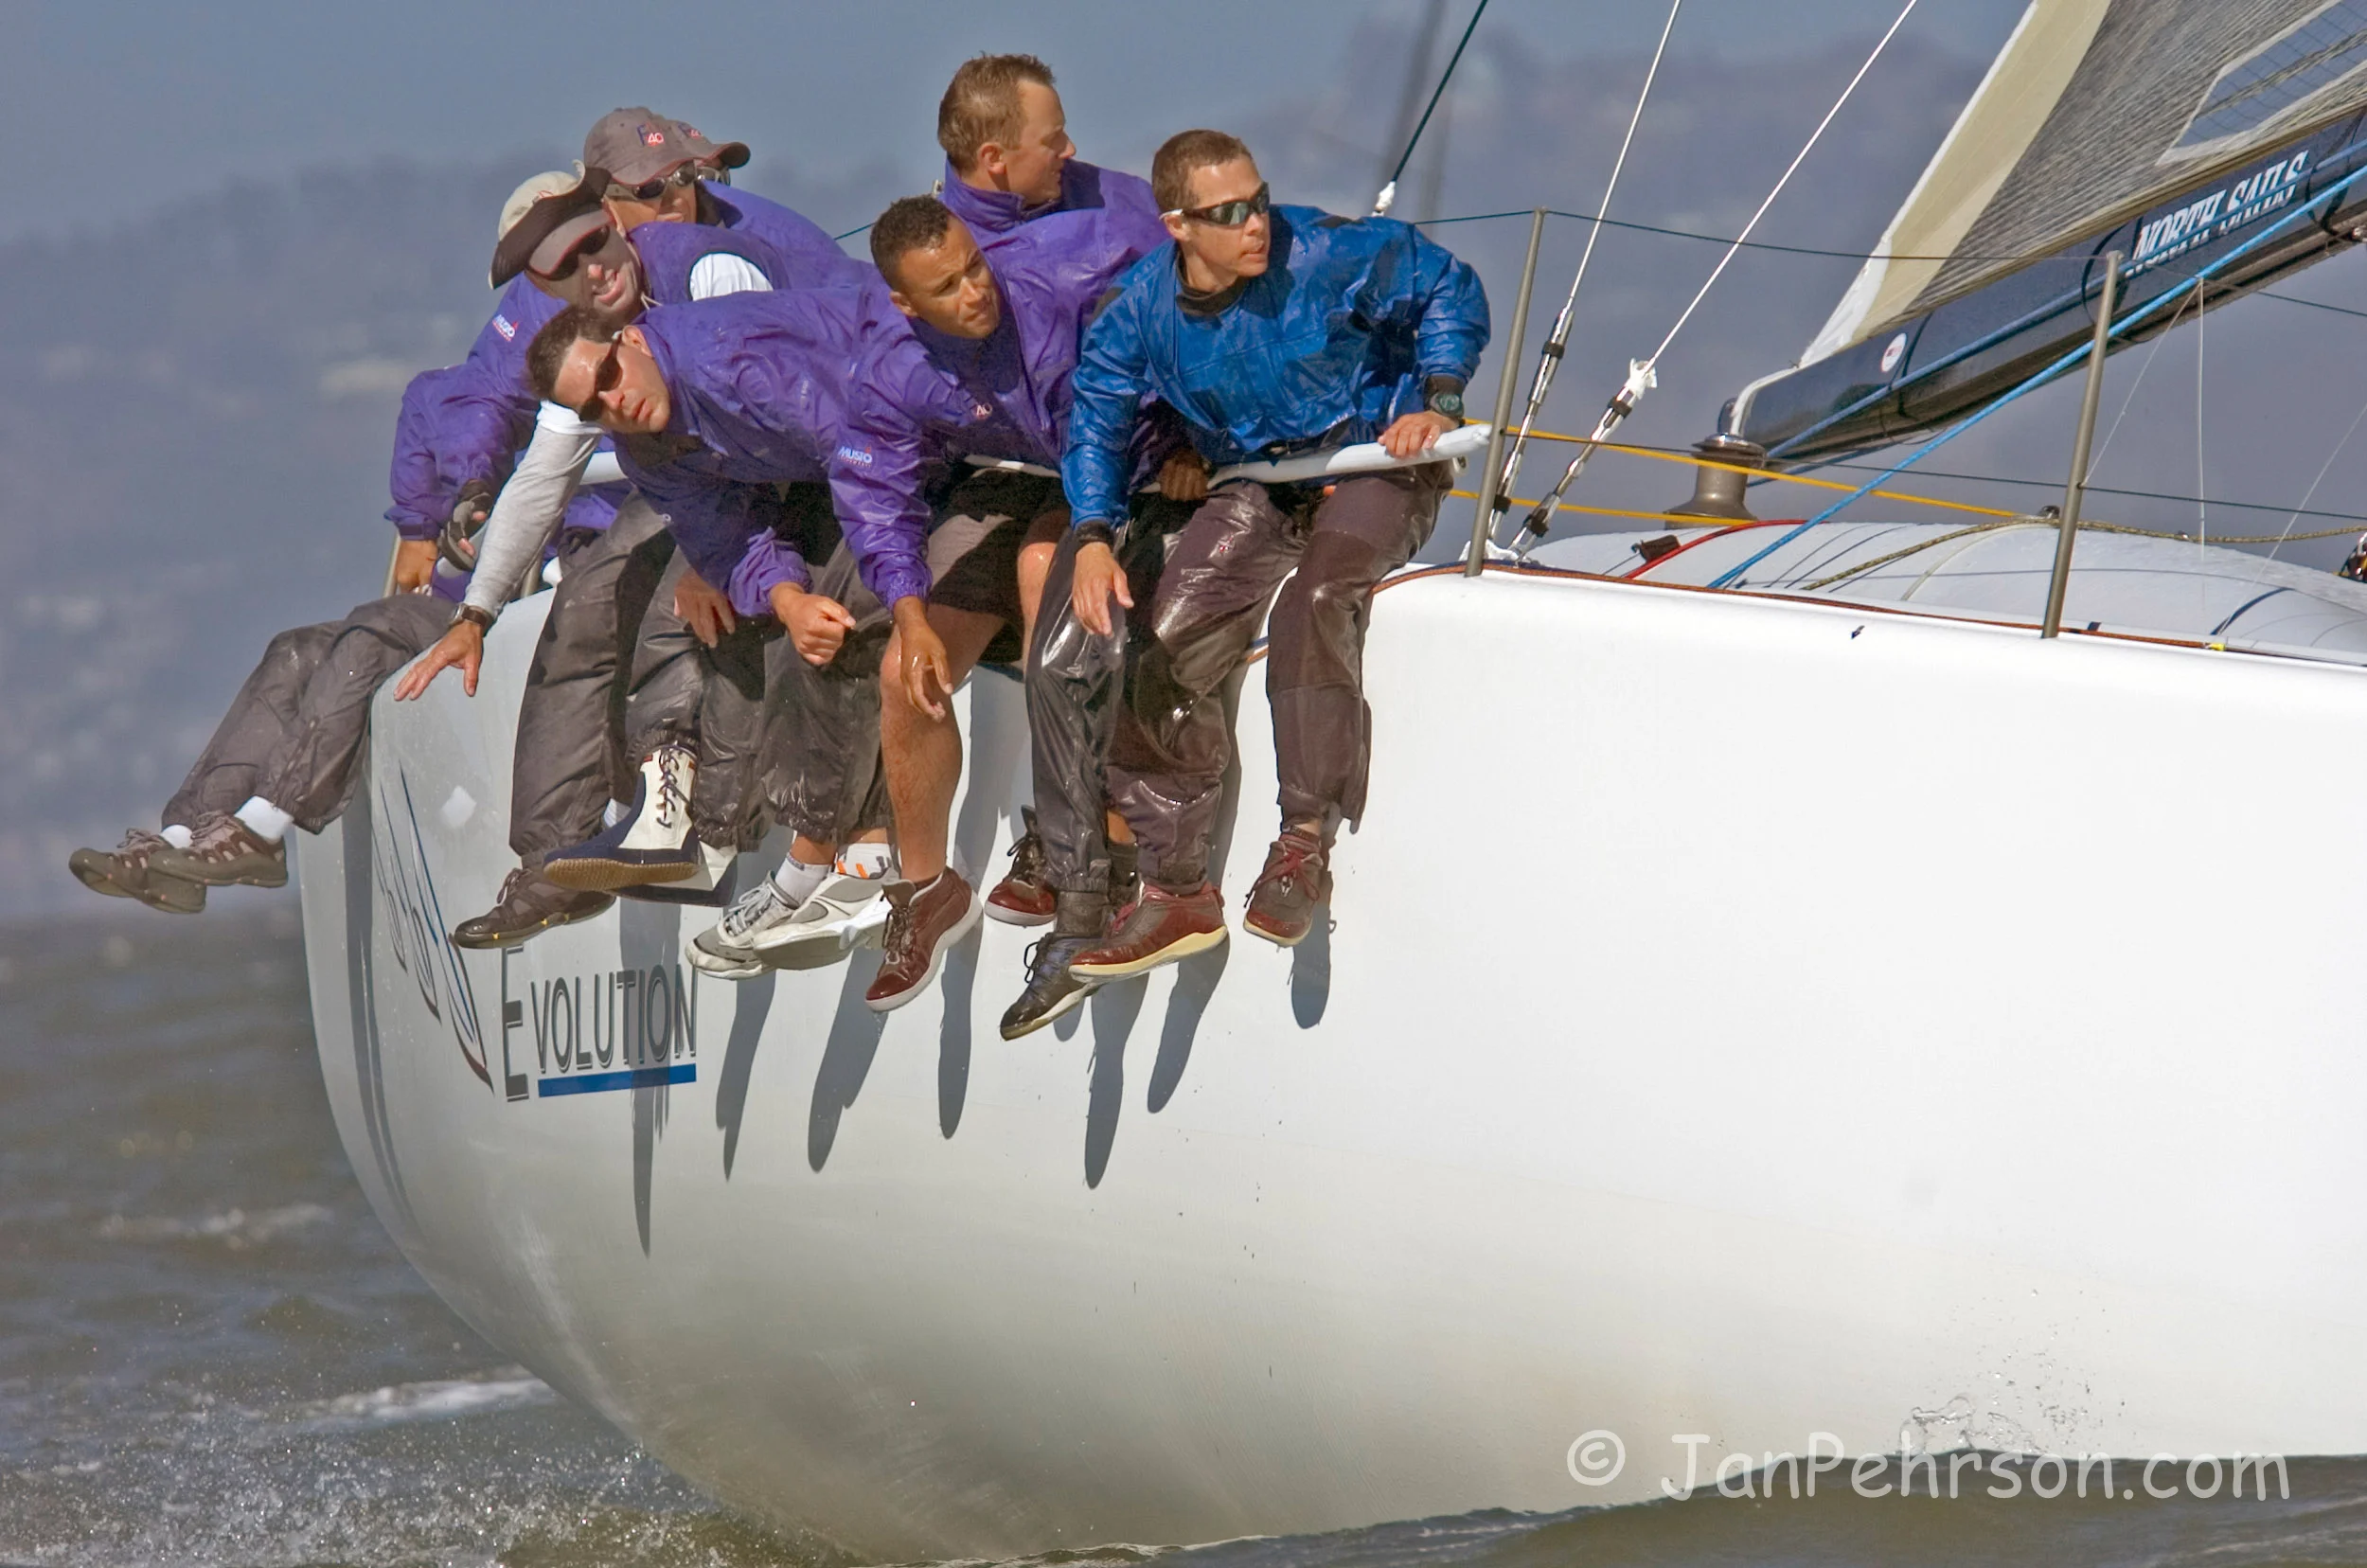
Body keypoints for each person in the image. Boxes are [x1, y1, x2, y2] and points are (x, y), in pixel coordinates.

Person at [62, 175, 623, 911]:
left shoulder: (627, 342)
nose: (561, 273)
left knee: (370, 634)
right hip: (484, 594)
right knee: (293, 649)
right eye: (541, 263)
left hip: (549, 590)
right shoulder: (513, 341)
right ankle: (185, 842)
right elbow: (452, 403)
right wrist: (439, 512)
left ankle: (263, 831)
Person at [388, 155, 869, 947]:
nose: (592, 272)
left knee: (692, 595)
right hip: (712, 475)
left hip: (827, 450)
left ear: (615, 226)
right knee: (584, 599)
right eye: (566, 270)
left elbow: (791, 420)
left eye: (593, 247)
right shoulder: (590, 350)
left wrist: (716, 563)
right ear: (544, 290)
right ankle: (553, 862)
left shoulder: (705, 271)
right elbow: (543, 477)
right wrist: (475, 611)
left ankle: (697, 829)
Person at [1054, 130, 1488, 983]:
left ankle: (1301, 845)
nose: (1257, 223)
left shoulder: (1324, 249)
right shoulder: (1138, 309)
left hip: (1376, 455)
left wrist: (1437, 398)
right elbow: (1097, 422)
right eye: (1229, 213)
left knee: (1316, 596)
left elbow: (1446, 284)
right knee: (1162, 644)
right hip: (1260, 479)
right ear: (1179, 225)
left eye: (1259, 199)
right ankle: (1176, 890)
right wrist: (1093, 536)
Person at [834, 194, 1171, 1013]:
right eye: (947, 288)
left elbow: (1191, 266)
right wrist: (910, 616)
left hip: (1121, 473)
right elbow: (875, 497)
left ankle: (1080, 847)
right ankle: (928, 890)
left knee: (1041, 569)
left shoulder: (1074, 262)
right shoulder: (890, 363)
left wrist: (1192, 441)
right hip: (1011, 482)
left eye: (974, 267)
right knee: (903, 670)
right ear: (905, 305)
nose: (976, 292)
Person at [524, 290, 904, 973]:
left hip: (914, 439)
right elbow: (732, 544)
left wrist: (827, 584)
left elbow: (862, 442)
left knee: (838, 618)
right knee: (739, 612)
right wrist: (785, 598)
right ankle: (708, 840)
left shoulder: (731, 364)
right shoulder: (648, 451)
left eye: (609, 374)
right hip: (838, 474)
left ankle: (853, 860)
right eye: (592, 408)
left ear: (633, 341)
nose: (614, 404)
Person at [934, 54, 1160, 246]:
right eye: (1052, 140)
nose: (1070, 149)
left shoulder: (1123, 201)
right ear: (993, 158)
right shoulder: (929, 256)